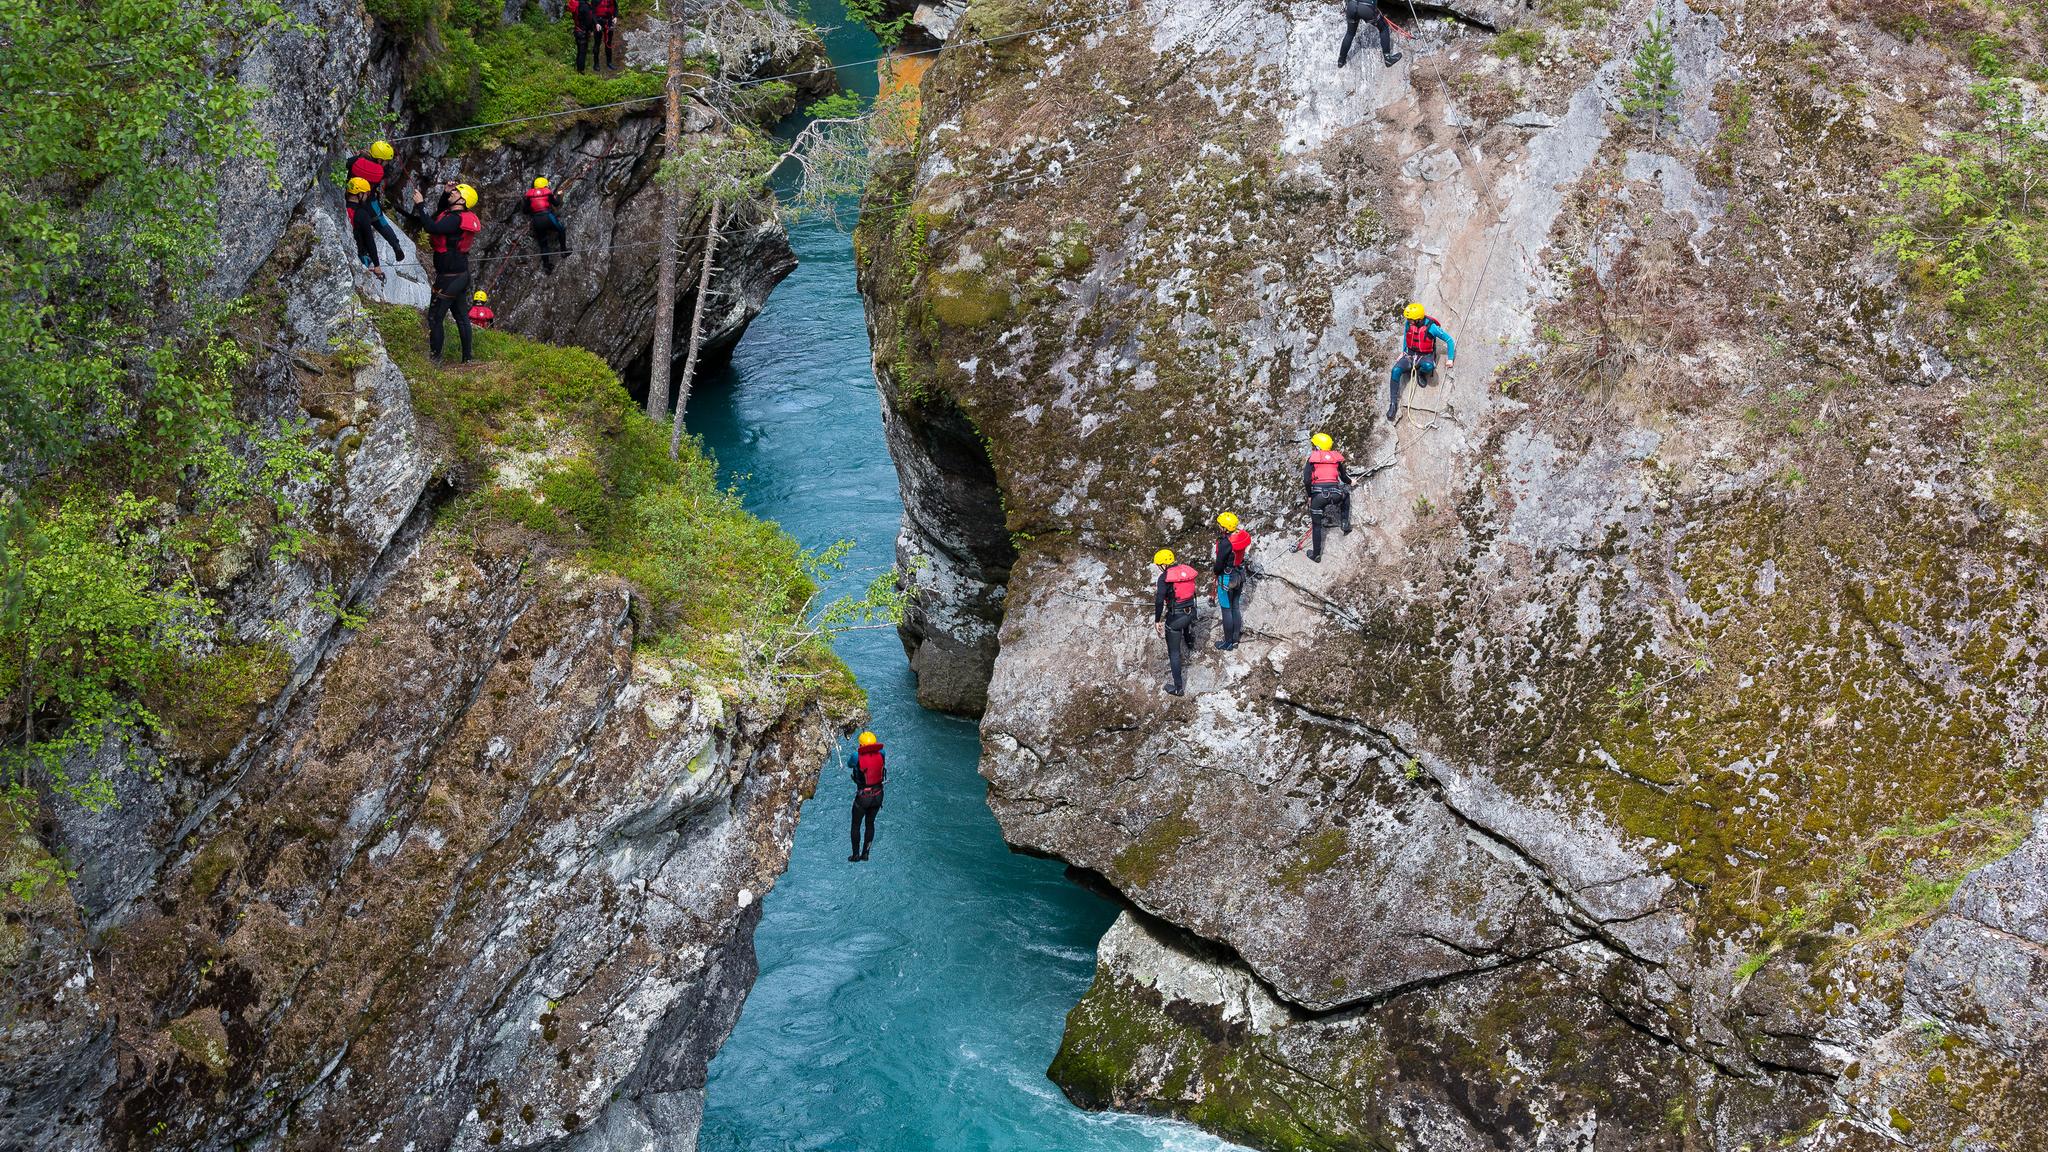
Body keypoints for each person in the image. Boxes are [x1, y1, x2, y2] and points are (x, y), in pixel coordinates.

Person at [405, 181, 483, 365]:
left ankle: (435, 358)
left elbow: (432, 227)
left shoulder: (455, 219)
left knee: (435, 317)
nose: (452, 192)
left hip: (449, 278)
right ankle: (467, 358)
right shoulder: (455, 215)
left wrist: (420, 205)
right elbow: (439, 215)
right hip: (460, 275)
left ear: (463, 200)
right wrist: (444, 193)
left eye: (455, 191)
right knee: (462, 317)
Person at [1390, 302, 1455, 421]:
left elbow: (1449, 340)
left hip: (1425, 356)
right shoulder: (1410, 323)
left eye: (1411, 319)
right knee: (1395, 370)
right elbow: (1406, 336)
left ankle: (1420, 373)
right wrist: (1403, 352)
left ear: (1419, 319)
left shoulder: (1432, 327)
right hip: (1410, 354)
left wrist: (1450, 359)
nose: (1408, 321)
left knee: (1429, 366)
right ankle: (1393, 404)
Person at [347, 140, 407, 263]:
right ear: (380, 160)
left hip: (355, 200)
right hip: (371, 201)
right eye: (386, 161)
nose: (386, 163)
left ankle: (364, 255)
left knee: (360, 230)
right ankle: (396, 245)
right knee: (381, 221)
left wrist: (361, 156)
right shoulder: (380, 172)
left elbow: (348, 163)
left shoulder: (356, 162)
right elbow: (378, 168)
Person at [1152, 549, 1200, 696]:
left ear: (1163, 565)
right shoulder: (1184, 571)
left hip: (1176, 618)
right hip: (1191, 612)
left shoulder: (1164, 578)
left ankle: (1178, 688)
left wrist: (1157, 620)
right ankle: (1190, 642)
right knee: (1184, 623)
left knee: (1174, 652)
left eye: (1159, 565)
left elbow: (1159, 601)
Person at [1302, 433, 1352, 563]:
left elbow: (1307, 480)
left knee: (1316, 525)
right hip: (1335, 494)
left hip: (1318, 497)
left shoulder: (1312, 460)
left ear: (1318, 447)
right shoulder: (1335, 459)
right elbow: (1344, 477)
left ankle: (1316, 555)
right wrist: (1351, 482)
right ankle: (1345, 523)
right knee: (1346, 495)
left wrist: (1309, 496)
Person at [1211, 512, 1252, 650]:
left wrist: (1216, 573)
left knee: (1226, 610)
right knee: (1235, 607)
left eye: (1220, 525)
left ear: (1225, 528)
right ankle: (1235, 639)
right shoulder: (1241, 536)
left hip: (1227, 578)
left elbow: (1219, 564)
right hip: (1240, 574)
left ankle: (1227, 643)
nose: (1219, 527)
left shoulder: (1224, 543)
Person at [848, 731, 885, 862]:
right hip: (878, 795)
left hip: (863, 797)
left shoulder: (856, 756)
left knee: (856, 825)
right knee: (870, 824)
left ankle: (855, 855)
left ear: (860, 744)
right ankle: (866, 853)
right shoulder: (882, 753)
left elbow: (850, 764)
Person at [524, 177, 567, 273]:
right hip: (548, 217)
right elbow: (556, 204)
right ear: (544, 185)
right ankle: (564, 251)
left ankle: (546, 266)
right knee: (561, 230)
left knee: (543, 244)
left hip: (537, 220)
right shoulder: (547, 193)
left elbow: (525, 211)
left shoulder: (529, 196)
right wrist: (559, 195)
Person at [1339, 0, 1400, 68]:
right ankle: (1388, 58)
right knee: (1384, 28)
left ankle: (1341, 60)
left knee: (1350, 33)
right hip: (1366, 7)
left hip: (1352, 5)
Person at [345, 177, 385, 281]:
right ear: (360, 194)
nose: (367, 196)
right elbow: (369, 240)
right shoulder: (362, 214)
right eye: (366, 194)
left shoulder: (341, 206)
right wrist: (377, 265)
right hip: (359, 254)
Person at [569, 0, 599, 72]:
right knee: (582, 53)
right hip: (583, 32)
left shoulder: (577, 4)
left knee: (579, 52)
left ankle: (578, 70)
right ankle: (580, 72)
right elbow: (588, 21)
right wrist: (591, 30)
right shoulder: (584, 6)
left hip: (577, 30)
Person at [594, 0, 619, 69]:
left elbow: (616, 7)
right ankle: (596, 64)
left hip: (609, 21)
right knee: (597, 43)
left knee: (608, 43)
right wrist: (596, 23)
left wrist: (615, 16)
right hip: (598, 21)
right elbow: (592, 12)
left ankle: (609, 63)